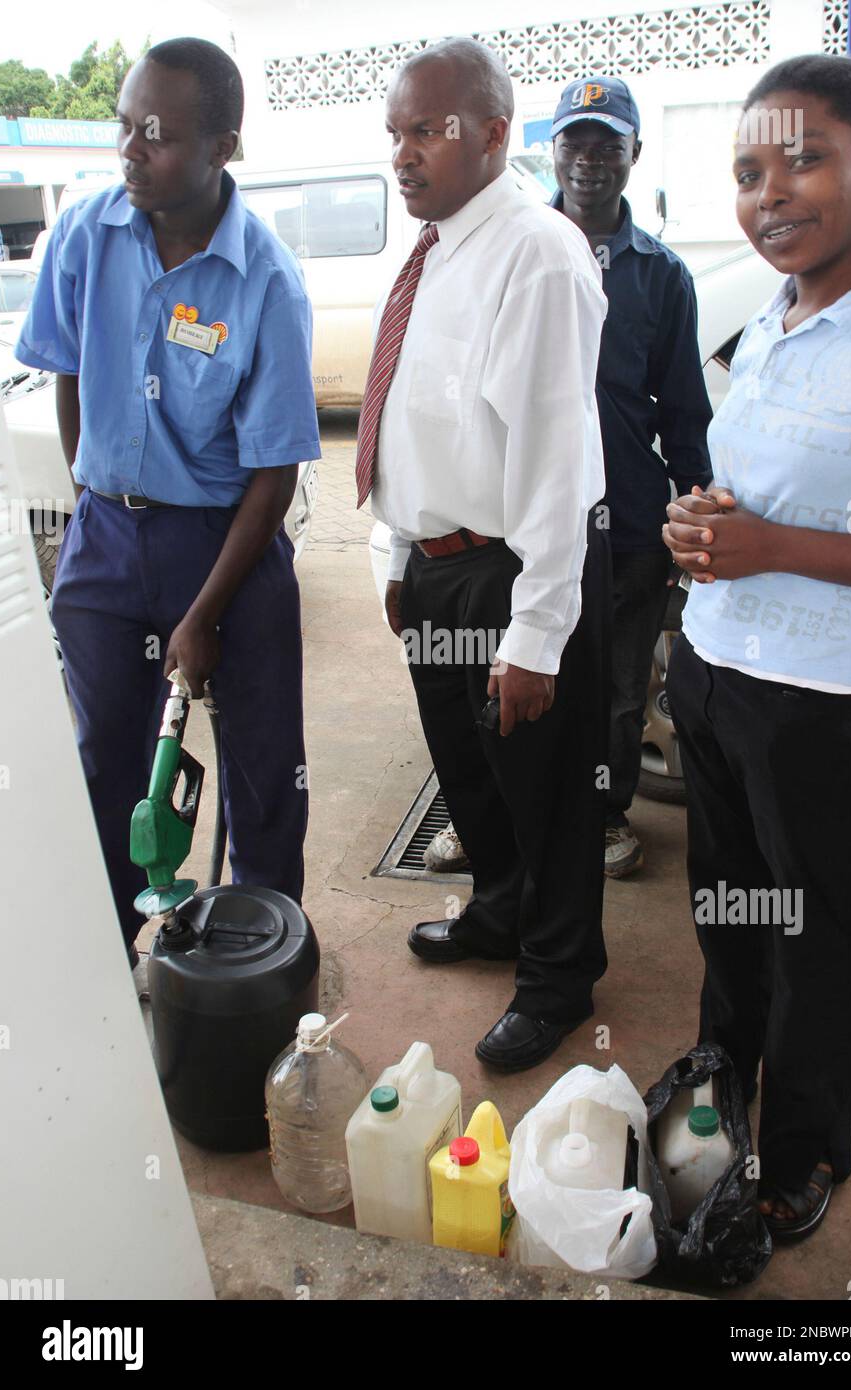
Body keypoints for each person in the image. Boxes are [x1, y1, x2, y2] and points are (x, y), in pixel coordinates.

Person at [663, 53, 851, 1241]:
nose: (771, 195)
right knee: (730, 907)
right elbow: (753, 496)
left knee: (813, 933)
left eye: (804, 160)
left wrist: (771, 545)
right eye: (748, 172)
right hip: (715, 669)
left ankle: (806, 1152)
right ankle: (721, 1088)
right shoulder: (765, 320)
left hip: (822, 698)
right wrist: (702, 522)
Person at [16, 38, 320, 962]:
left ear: (222, 147)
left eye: (156, 133)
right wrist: (96, 505)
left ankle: (250, 977)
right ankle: (109, 965)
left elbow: (276, 473)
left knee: (265, 778)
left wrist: (205, 613)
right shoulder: (84, 234)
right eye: (124, 126)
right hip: (108, 541)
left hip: (231, 546)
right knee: (107, 760)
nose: (130, 149)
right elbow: (68, 373)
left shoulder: (264, 279)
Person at [360, 37, 610, 1072]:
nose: (404, 155)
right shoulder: (433, 251)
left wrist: (538, 632)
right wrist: (394, 558)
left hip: (509, 573)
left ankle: (558, 977)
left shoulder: (536, 255)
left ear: (495, 133)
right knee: (471, 777)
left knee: (545, 794)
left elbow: (558, 459)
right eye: (397, 135)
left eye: (427, 131)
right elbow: (412, 417)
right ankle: (499, 916)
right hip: (436, 570)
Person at [550, 76, 712, 877]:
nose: (589, 161)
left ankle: (605, 820)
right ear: (551, 153)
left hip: (630, 526)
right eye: (575, 143)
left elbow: (684, 411)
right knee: (521, 667)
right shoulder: (515, 252)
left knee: (618, 688)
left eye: (607, 145)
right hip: (528, 518)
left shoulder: (661, 277)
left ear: (634, 155)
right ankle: (511, 823)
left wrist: (695, 518)